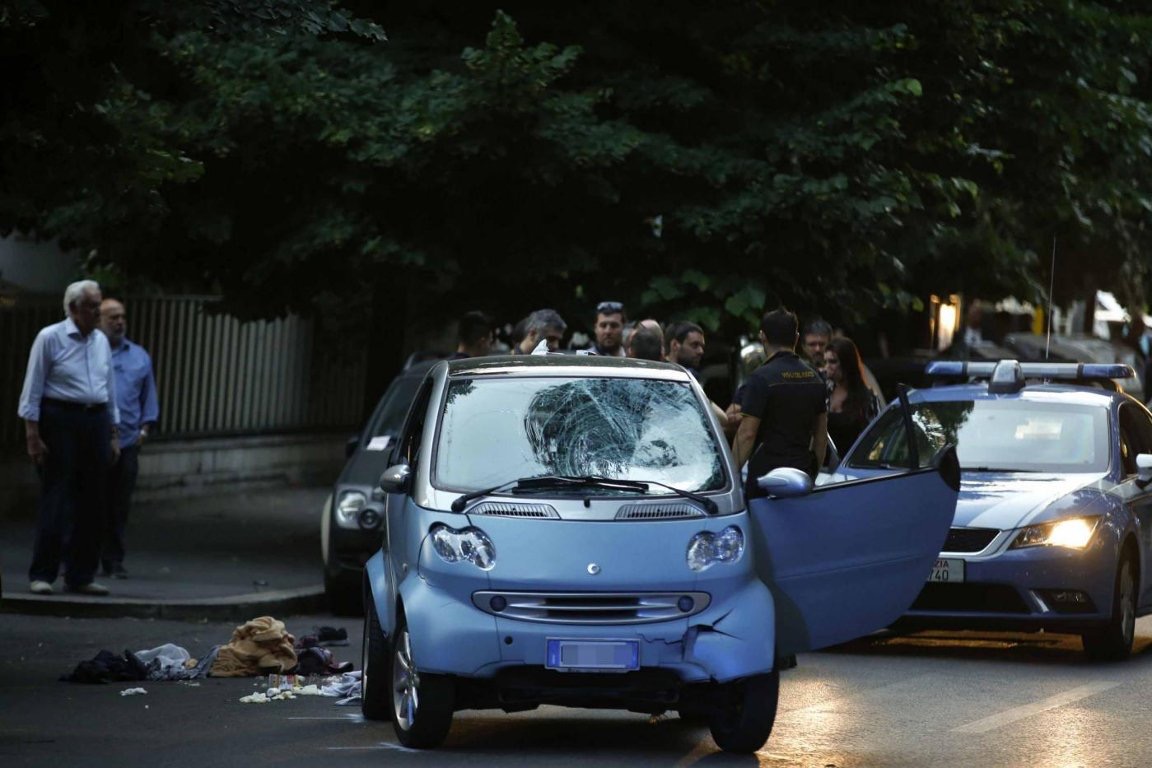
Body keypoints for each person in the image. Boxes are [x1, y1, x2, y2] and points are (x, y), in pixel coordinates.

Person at [17, 280, 120, 596]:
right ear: (73, 308)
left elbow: (109, 385)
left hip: (95, 417)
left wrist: (113, 431)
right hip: (60, 416)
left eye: (98, 304)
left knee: (93, 500)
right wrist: (32, 434)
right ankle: (43, 572)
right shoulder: (50, 337)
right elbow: (33, 387)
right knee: (57, 496)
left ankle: (81, 574)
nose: (97, 311)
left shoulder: (100, 340)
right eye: (91, 305)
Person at [732, 307, 828, 496]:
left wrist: (731, 476)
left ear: (763, 337)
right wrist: (811, 475)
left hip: (765, 479)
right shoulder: (815, 377)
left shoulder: (760, 378)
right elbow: (821, 437)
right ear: (797, 337)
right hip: (801, 477)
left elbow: (747, 434)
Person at [98, 298, 160, 579]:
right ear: (100, 320)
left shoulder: (139, 356)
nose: (119, 322)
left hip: (128, 442)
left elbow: (150, 398)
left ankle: (114, 560)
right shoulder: (92, 352)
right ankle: (80, 559)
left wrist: (144, 432)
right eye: (112, 317)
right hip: (95, 440)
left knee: (119, 504)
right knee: (90, 502)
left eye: (122, 316)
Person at [824, 337, 878, 454]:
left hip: (852, 464)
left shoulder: (866, 398)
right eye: (826, 361)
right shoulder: (824, 392)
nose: (827, 367)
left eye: (832, 362)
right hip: (825, 466)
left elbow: (874, 438)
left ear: (846, 363)